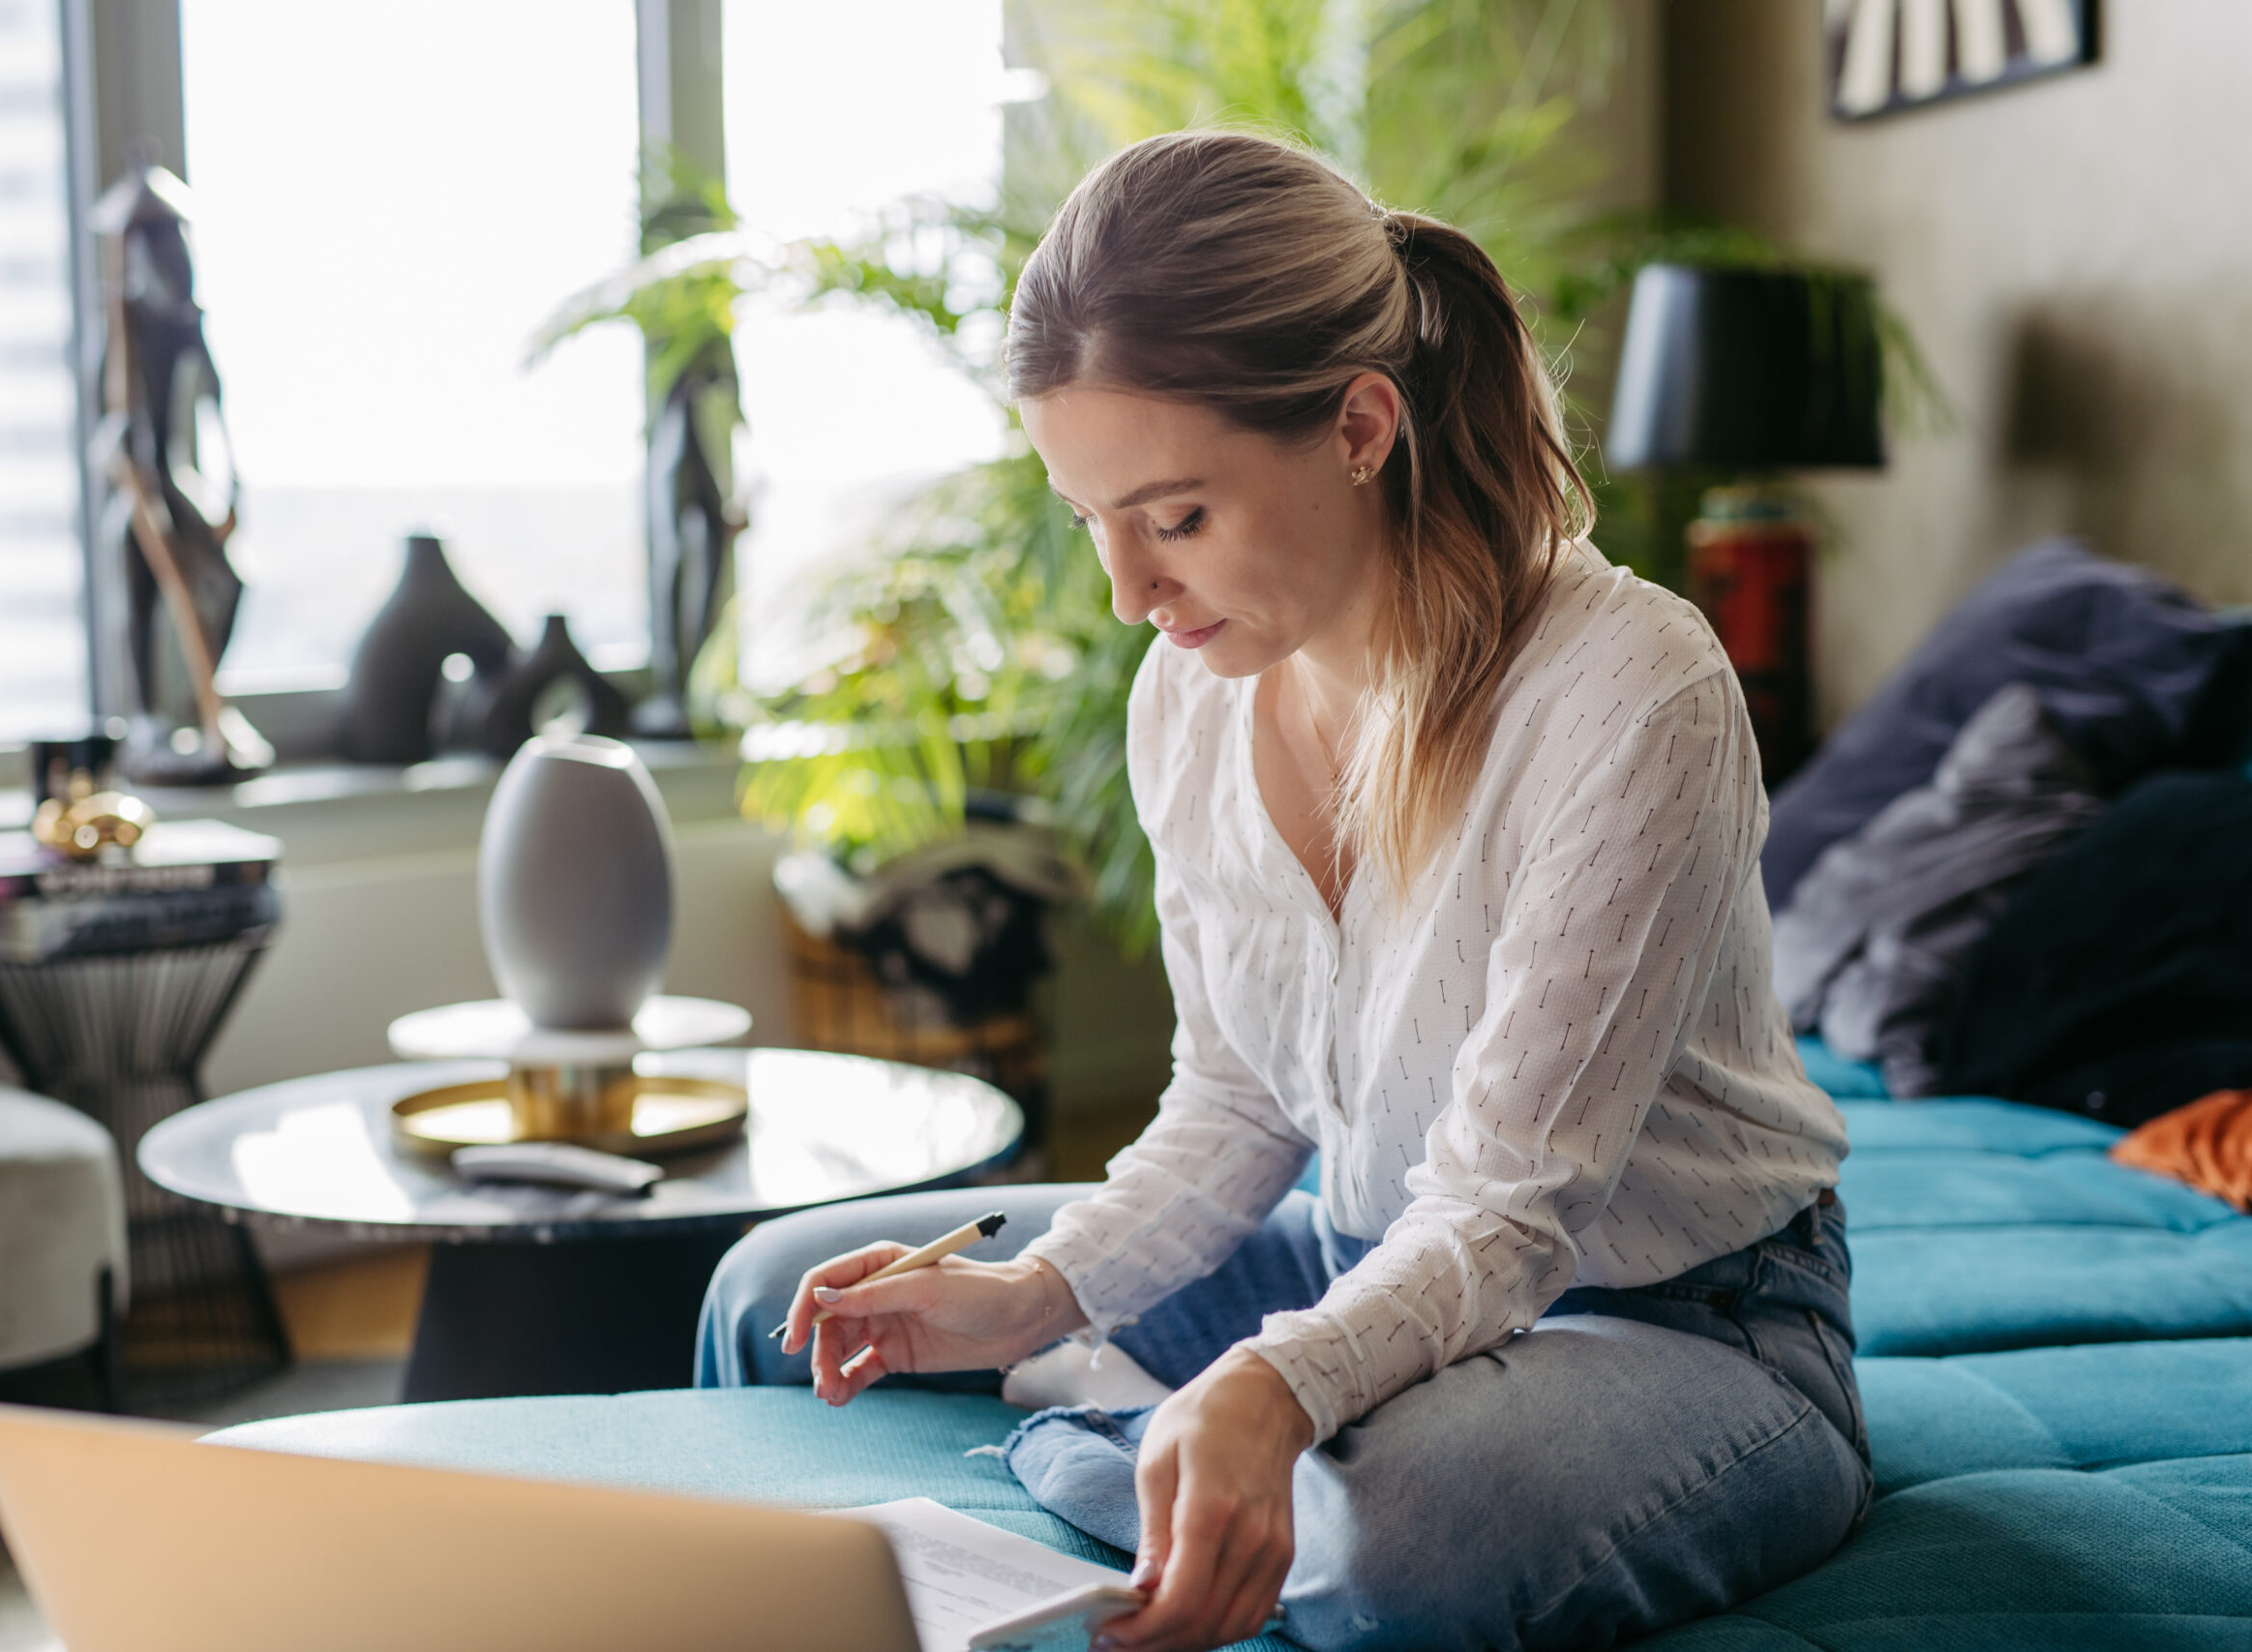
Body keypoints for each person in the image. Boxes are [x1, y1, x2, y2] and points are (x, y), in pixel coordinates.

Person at [696, 130, 1865, 1652]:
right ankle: (1117, 1424)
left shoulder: (1629, 690)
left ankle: (1105, 1445)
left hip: (1686, 1323)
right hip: (1365, 1254)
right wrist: (1039, 1294)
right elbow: (1241, 1103)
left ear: (1361, 425)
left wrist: (1273, 1385)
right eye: (1091, 520)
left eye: (1174, 517)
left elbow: (1510, 1213)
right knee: (776, 1295)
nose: (1130, 591)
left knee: (1388, 1544)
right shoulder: (1187, 695)